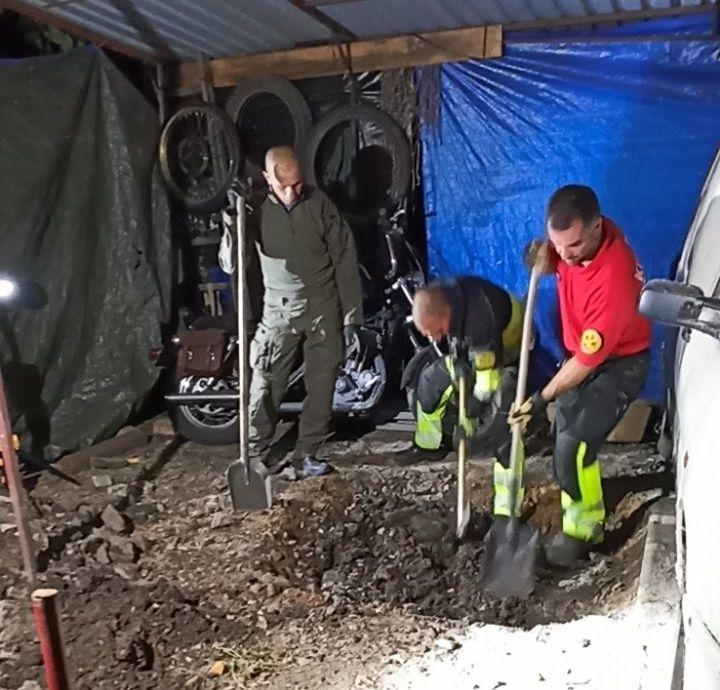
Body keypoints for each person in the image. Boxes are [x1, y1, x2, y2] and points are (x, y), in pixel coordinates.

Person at [510, 184, 651, 568]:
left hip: (618, 365)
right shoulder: (581, 244)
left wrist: (541, 397)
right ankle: (576, 503)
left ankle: (585, 530)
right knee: (565, 435)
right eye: (558, 245)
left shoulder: (614, 278)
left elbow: (588, 363)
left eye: (572, 245)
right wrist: (542, 258)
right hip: (582, 356)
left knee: (575, 444)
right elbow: (556, 259)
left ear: (595, 226)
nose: (565, 254)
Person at [246, 146, 363, 478]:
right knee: (266, 381)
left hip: (322, 305)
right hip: (278, 308)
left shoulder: (319, 204)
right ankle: (255, 452)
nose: (292, 193)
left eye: (297, 184)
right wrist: (232, 218)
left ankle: (306, 453)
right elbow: (230, 262)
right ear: (267, 178)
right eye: (283, 187)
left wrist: (352, 317)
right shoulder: (253, 209)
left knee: (322, 384)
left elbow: (345, 258)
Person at [408, 276, 527, 519]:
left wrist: (470, 415)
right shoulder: (441, 298)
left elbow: (486, 382)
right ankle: (430, 445)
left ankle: (506, 508)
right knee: (430, 381)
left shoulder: (480, 319)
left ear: (444, 316)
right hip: (471, 350)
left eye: (436, 332)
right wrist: (458, 363)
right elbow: (454, 340)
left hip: (506, 347)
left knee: (501, 426)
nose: (434, 338)